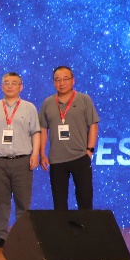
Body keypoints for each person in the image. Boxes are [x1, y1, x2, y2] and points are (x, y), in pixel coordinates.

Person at [0, 71, 41, 248]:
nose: (10, 86)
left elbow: (36, 133)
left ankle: (22, 236)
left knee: (23, 201)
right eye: (6, 82)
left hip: (23, 160)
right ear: (1, 86)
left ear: (21, 87)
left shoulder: (29, 107)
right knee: (1, 200)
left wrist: (35, 154)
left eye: (14, 83)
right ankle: (1, 235)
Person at [39, 66, 100, 211]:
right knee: (59, 203)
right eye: (57, 80)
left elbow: (93, 125)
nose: (62, 83)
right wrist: (42, 154)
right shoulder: (48, 102)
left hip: (80, 157)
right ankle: (62, 227)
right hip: (56, 160)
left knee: (85, 200)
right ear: (53, 82)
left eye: (65, 79)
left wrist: (90, 150)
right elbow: (43, 129)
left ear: (73, 80)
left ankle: (85, 226)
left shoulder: (84, 99)